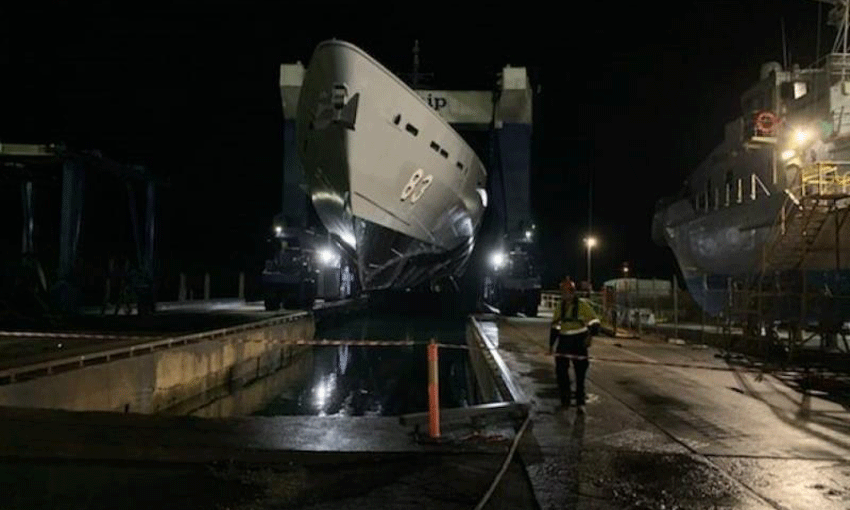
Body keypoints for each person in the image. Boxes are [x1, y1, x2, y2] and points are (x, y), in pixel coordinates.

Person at [550, 277, 600, 413]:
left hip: (579, 341)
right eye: (562, 292)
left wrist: (590, 337)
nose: (564, 295)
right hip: (564, 341)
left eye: (566, 292)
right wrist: (551, 345)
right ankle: (565, 400)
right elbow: (555, 326)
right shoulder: (560, 306)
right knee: (561, 371)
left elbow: (595, 322)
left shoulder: (583, 305)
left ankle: (580, 403)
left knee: (580, 373)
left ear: (572, 292)